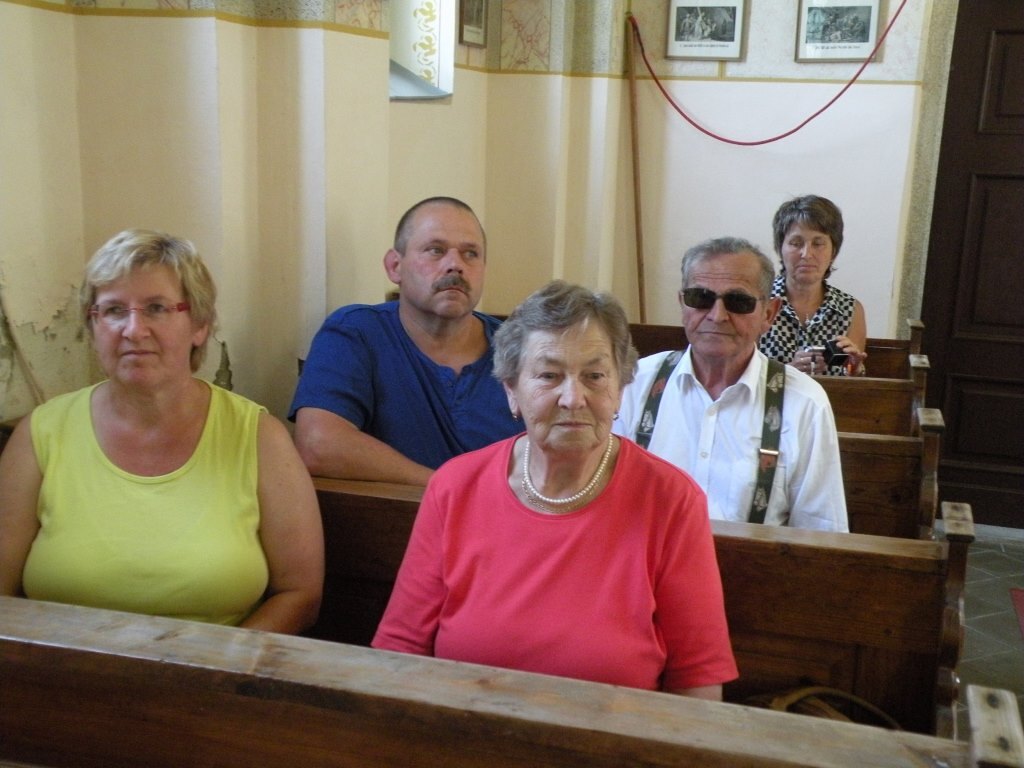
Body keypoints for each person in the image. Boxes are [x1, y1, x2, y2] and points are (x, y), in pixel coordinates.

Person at [373, 280, 738, 699]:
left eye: (594, 376)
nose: (573, 398)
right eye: (549, 375)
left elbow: (697, 682)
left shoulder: (671, 501)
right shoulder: (455, 488)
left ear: (620, 390)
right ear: (511, 390)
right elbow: (399, 652)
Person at [0, 229, 324, 633]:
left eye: (156, 308)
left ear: (199, 325)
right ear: (93, 325)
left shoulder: (259, 437)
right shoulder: (41, 434)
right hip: (62, 668)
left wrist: (215, 667)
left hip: (218, 667)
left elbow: (299, 593)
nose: (134, 330)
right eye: (114, 310)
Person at [613, 237, 848, 532]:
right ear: (682, 304)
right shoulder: (635, 383)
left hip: (749, 563)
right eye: (700, 298)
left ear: (769, 313)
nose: (717, 316)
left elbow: (820, 536)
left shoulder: (804, 403)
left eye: (738, 302)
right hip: (645, 560)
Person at [290, 196, 519, 485]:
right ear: (395, 266)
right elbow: (318, 445)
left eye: (470, 254)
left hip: (510, 512)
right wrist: (446, 492)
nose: (455, 265)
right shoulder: (356, 333)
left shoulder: (518, 349)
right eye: (436, 250)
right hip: (403, 512)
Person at [758, 195, 867, 376]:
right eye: (796, 243)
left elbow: (853, 382)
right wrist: (788, 373)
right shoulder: (759, 301)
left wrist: (855, 367)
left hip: (831, 395)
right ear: (780, 248)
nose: (806, 254)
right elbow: (741, 375)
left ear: (833, 252)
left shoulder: (850, 309)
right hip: (771, 395)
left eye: (818, 244)